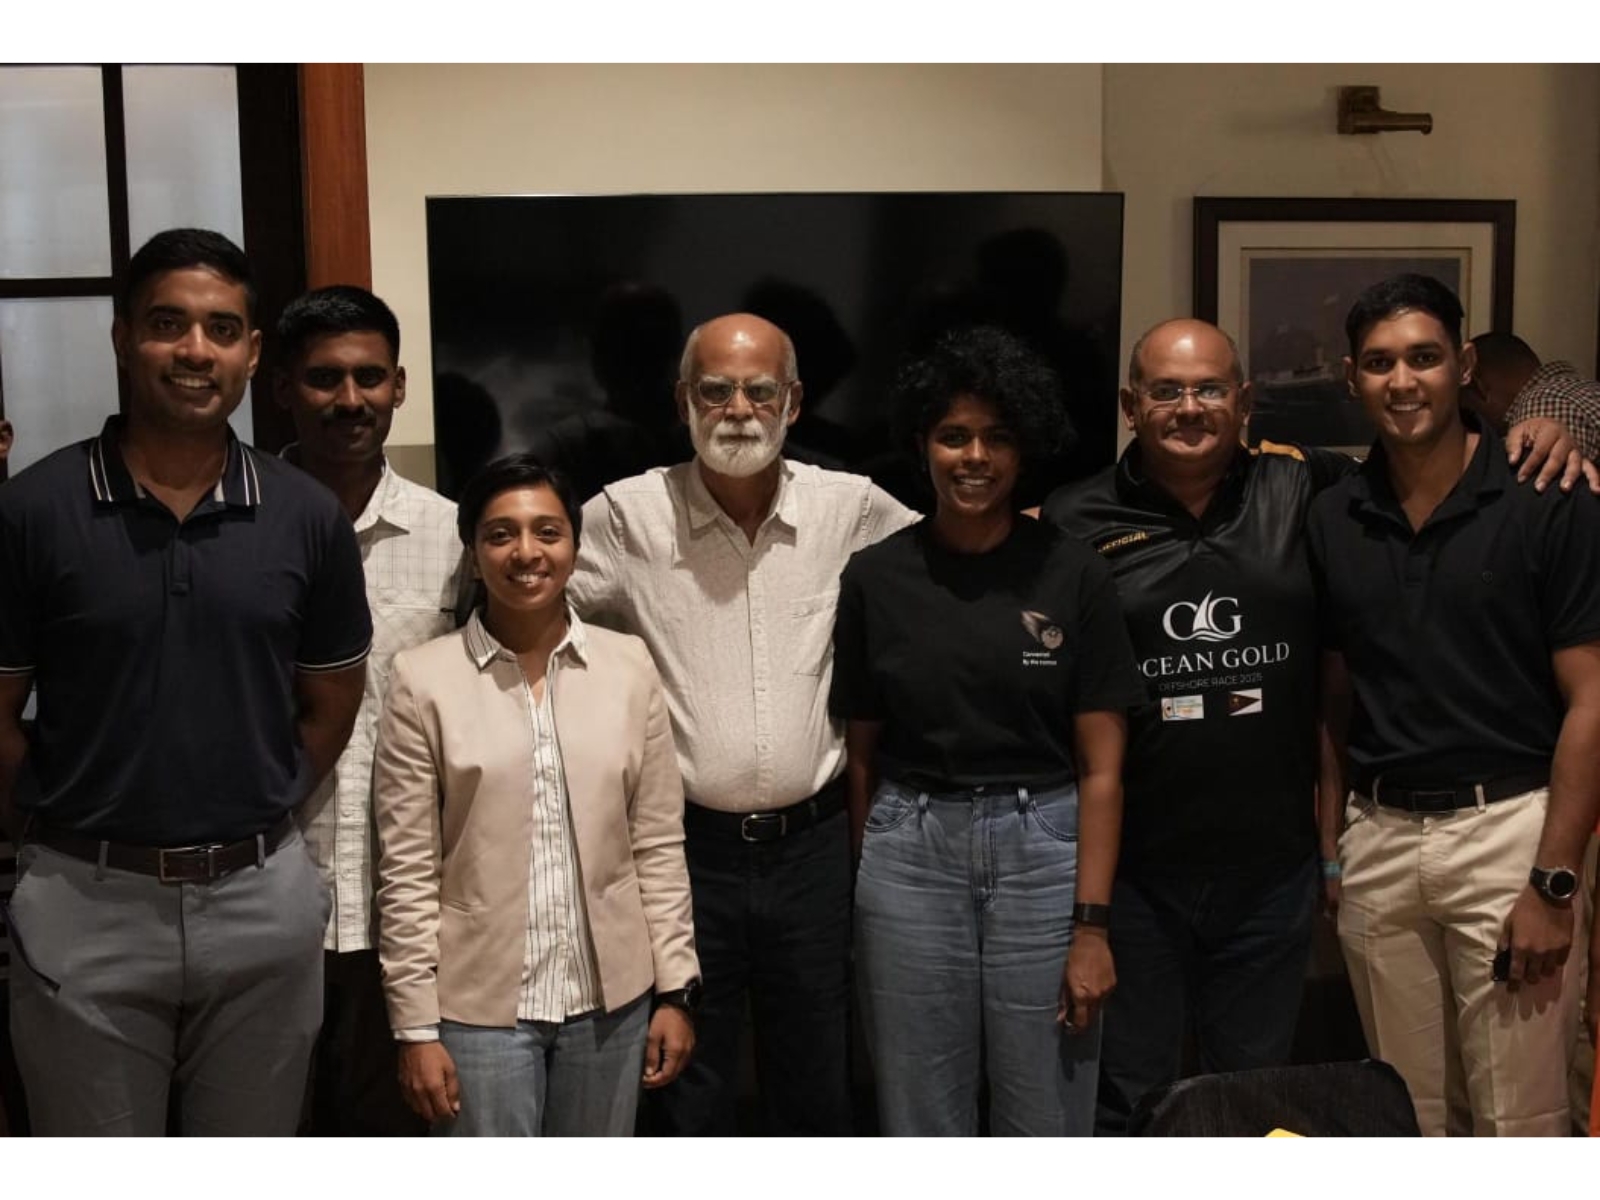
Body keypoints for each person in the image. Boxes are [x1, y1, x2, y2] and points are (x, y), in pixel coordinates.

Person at [1041, 319, 1596, 1134]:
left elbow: (1424, 458)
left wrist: (1535, 429)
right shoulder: (1072, 518)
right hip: (1135, 877)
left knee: (1260, 1102)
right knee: (1133, 1103)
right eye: (1166, 390)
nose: (1189, 407)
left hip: (1272, 873)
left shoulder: (1310, 488)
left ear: (1246, 402)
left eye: (1210, 390)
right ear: (1131, 405)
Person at [0, 228, 371, 1135]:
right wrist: (57, 826)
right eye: (169, 324)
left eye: (221, 328)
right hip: (84, 901)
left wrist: (256, 804)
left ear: (252, 352)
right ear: (124, 337)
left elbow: (331, 706)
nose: (195, 350)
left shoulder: (306, 517)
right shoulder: (34, 512)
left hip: (261, 894)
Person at [569, 313, 918, 1135]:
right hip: (682, 852)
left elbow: (950, 558)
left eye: (760, 391)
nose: (738, 409)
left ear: (793, 402)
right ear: (682, 399)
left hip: (815, 852)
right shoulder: (624, 516)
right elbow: (539, 612)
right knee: (690, 1082)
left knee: (818, 1076)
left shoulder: (852, 508)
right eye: (715, 390)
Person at [831, 325, 1147, 1136]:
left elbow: (1104, 768)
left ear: (1025, 448)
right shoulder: (875, 576)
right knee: (919, 1111)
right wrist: (873, 871)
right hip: (909, 850)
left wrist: (1092, 926)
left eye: (997, 437)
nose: (975, 456)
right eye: (954, 436)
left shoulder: (1074, 570)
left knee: (1045, 1108)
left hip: (1044, 845)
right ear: (921, 444)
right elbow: (861, 751)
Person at [1311, 272, 1600, 1136]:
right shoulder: (1334, 514)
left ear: (1464, 363)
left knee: (1520, 1126)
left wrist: (1553, 882)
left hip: (1510, 835)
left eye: (1425, 358)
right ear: (1351, 377)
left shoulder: (1548, 495)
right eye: (1380, 363)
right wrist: (1333, 852)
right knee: (1409, 1121)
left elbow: (1593, 698)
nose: (1403, 382)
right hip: (1380, 844)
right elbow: (1333, 695)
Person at [372, 454, 700, 1136]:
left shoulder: (628, 664)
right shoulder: (421, 679)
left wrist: (676, 988)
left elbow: (659, 844)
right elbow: (405, 872)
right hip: (478, 1007)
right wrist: (414, 1027)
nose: (526, 552)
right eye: (501, 534)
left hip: (611, 1002)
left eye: (547, 532)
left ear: (574, 547)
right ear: (472, 553)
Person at [275, 285, 469, 1136]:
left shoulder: (458, 537)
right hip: (266, 893)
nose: (349, 400)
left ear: (399, 386)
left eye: (369, 378)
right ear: (283, 387)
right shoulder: (234, 524)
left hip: (412, 911)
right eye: (324, 379)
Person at [1465, 331, 1600, 459]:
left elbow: (1536, 480)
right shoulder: (1580, 389)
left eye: (1466, 408)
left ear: (1478, 388)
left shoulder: (1543, 404)